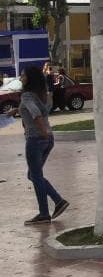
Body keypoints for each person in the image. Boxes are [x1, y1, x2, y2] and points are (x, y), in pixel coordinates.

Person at [9, 66, 69, 225]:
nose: (20, 78)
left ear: (30, 78)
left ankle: (45, 213)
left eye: (23, 75)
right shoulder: (41, 94)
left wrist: (42, 130)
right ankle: (57, 202)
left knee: (35, 175)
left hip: (36, 139)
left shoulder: (27, 95)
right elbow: (42, 109)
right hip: (48, 140)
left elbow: (35, 112)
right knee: (34, 175)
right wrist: (17, 110)